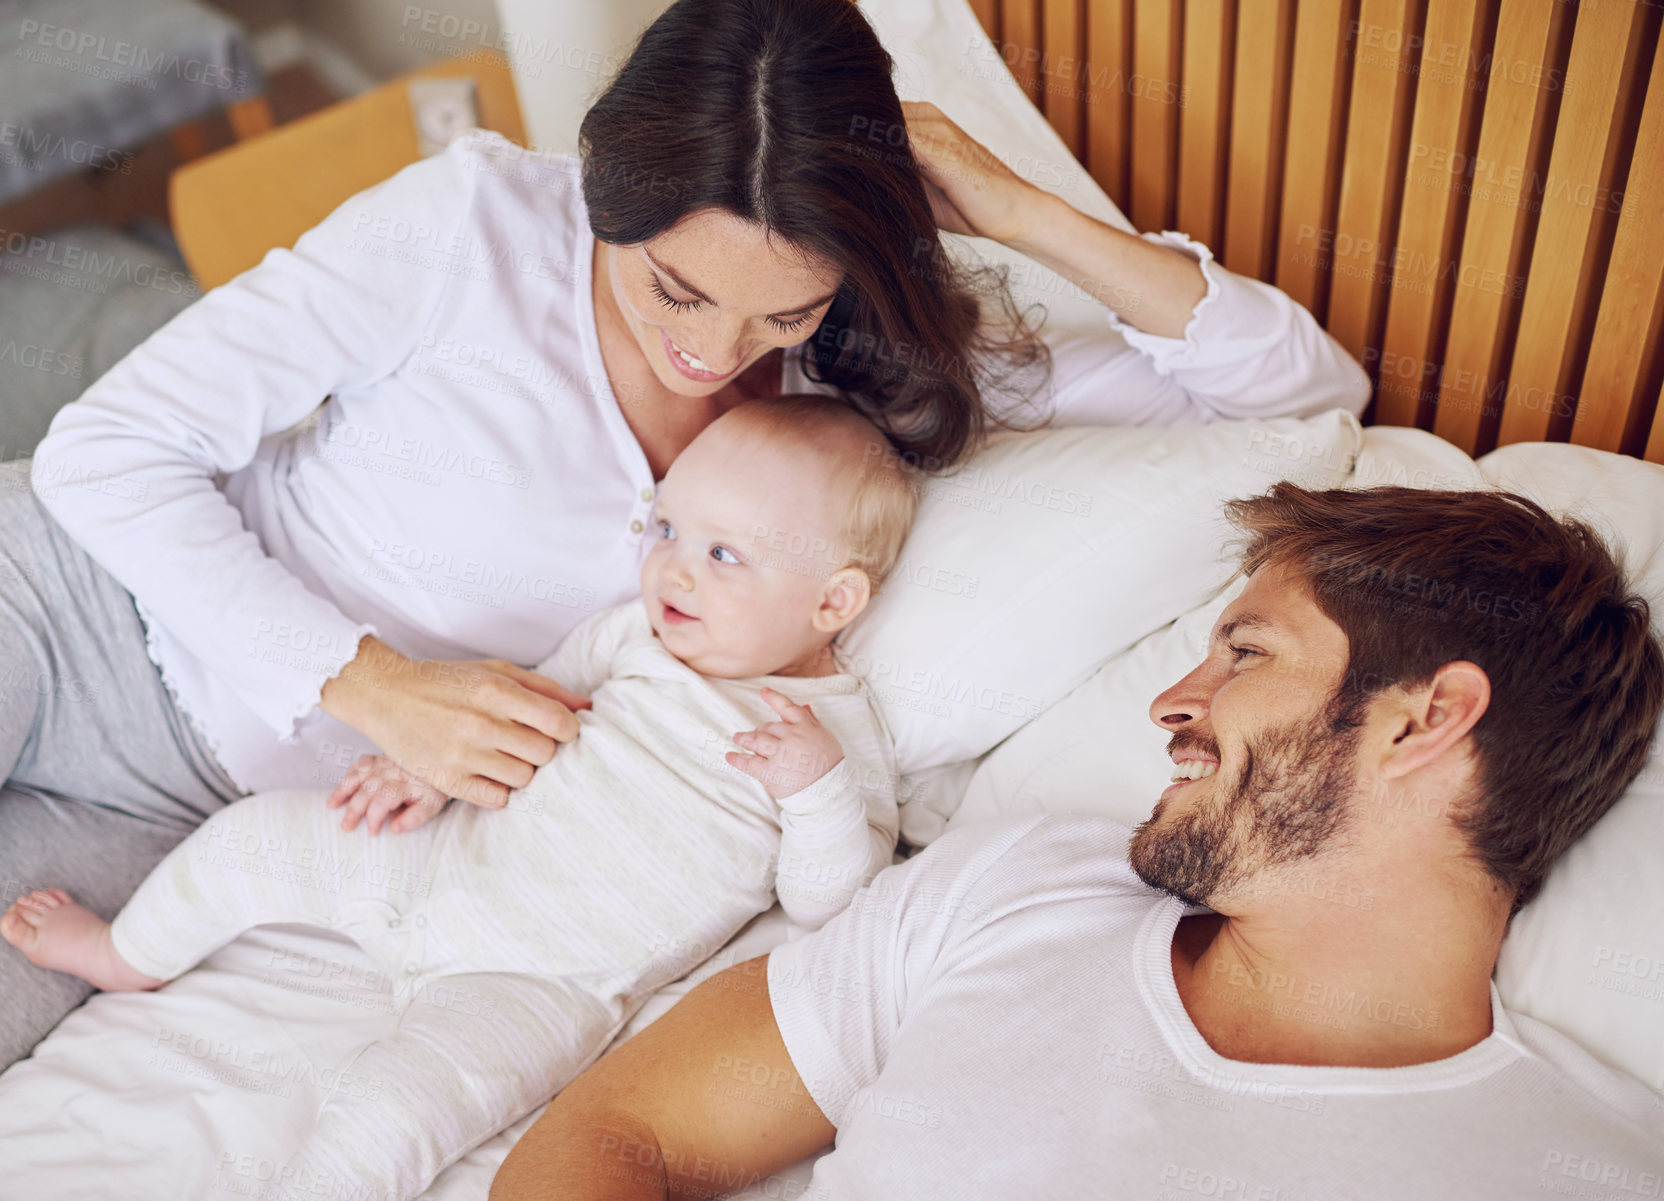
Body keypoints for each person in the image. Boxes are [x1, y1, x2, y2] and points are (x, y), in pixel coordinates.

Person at [0, 0, 1368, 1064]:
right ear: (610, 180)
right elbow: (104, 451)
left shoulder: (860, 381)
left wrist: (1016, 208)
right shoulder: (468, 225)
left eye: (777, 313)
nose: (714, 353)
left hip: (201, 804)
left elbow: (1297, 392)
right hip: (71, 612)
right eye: (673, 287)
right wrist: (373, 686)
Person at [489, 483, 1664, 1200]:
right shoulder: (1022, 883)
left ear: (1425, 717)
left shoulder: (1577, 1168)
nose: (1171, 700)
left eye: (1244, 654)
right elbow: (612, 1130)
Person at [3, 397, 911, 1196]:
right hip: (441, 859)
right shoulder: (634, 636)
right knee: (254, 841)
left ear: (833, 602)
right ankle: (130, 952)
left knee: (402, 1109)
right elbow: (522, 701)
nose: (674, 571)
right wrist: (427, 767)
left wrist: (816, 791)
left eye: (723, 554)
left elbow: (831, 901)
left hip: (543, 981)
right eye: (667, 530)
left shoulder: (839, 740)